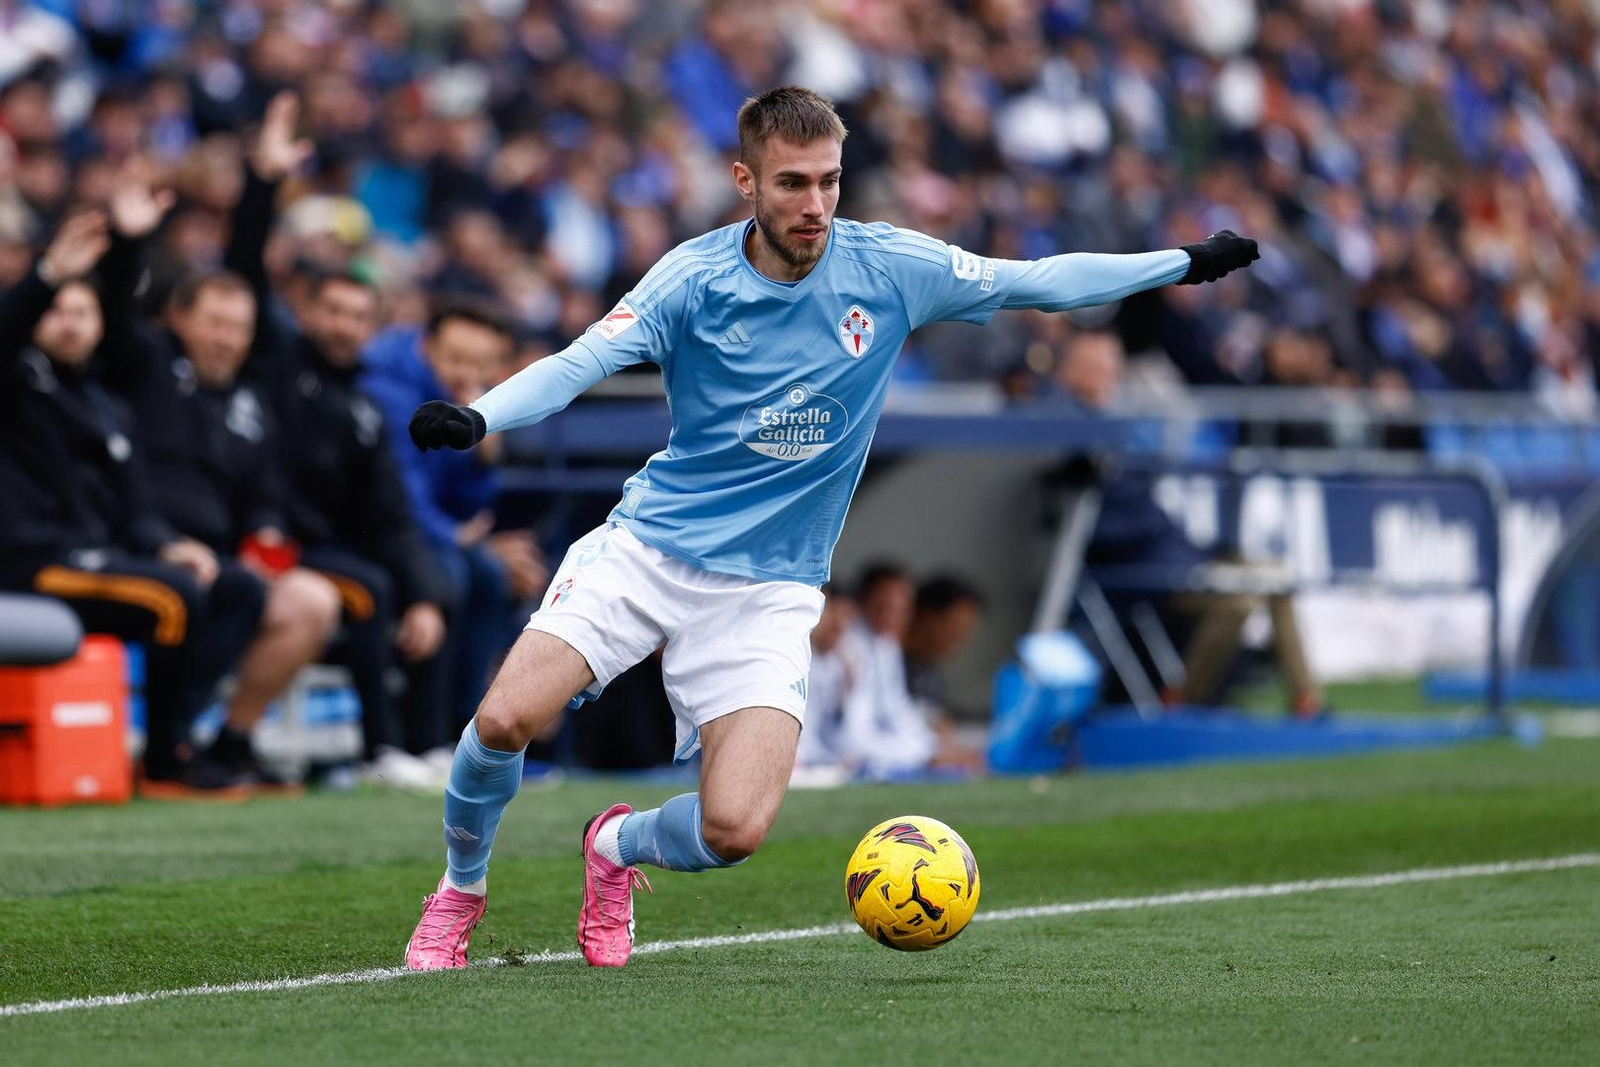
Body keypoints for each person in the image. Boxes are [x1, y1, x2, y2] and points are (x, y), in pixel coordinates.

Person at [402, 86, 1258, 970]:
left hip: (770, 588)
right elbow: (580, 360)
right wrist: (481, 414)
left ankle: (614, 845)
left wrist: (1181, 262)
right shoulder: (691, 279)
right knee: (503, 718)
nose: (815, 204)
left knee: (734, 829)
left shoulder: (889, 266)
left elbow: (1035, 282)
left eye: (829, 181)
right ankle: (461, 887)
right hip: (650, 550)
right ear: (745, 181)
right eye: (791, 184)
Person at [93, 158, 342, 790]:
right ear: (179, 320)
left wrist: (266, 534)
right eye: (216, 323)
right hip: (141, 543)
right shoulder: (146, 364)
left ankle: (231, 740)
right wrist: (128, 242)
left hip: (225, 558)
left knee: (312, 601)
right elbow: (113, 312)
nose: (228, 339)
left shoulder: (249, 400)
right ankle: (171, 746)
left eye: (240, 328)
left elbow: (265, 493)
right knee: (228, 590)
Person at [0, 210, 266, 794]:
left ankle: (178, 735)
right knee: (174, 598)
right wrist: (45, 278)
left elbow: (134, 504)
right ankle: (165, 762)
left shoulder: (107, 404)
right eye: (57, 311)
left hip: (101, 556)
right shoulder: (15, 382)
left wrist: (170, 544)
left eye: (83, 313)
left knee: (236, 587)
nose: (70, 324)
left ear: (99, 325)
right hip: (36, 560)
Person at [232, 95, 455, 788]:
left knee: (431, 579)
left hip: (327, 548)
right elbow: (242, 272)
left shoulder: (363, 406)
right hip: (270, 540)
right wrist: (264, 184)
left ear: (372, 325)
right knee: (371, 589)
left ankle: (429, 744)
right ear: (306, 310)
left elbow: (390, 512)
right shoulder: (275, 361)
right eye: (332, 310)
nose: (343, 324)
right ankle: (377, 750)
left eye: (358, 315)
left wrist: (425, 595)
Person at [1061, 330, 1323, 715]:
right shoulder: (1064, 431)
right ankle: (1185, 701)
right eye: (1097, 367)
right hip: (1137, 569)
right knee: (1237, 601)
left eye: (1111, 367)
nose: (1107, 377)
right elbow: (1086, 528)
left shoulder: (1110, 428)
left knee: (1276, 575)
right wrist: (1159, 538)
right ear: (1069, 370)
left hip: (1175, 555)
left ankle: (1306, 700)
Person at [360, 301, 549, 735]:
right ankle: (429, 733)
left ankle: (469, 728)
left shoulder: (462, 403)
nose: (467, 373)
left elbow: (467, 508)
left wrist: (483, 457)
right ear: (427, 348)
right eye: (457, 359)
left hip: (432, 535)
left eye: (480, 364)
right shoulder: (391, 394)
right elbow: (399, 499)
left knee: (492, 574)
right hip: (381, 535)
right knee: (457, 573)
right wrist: (456, 537)